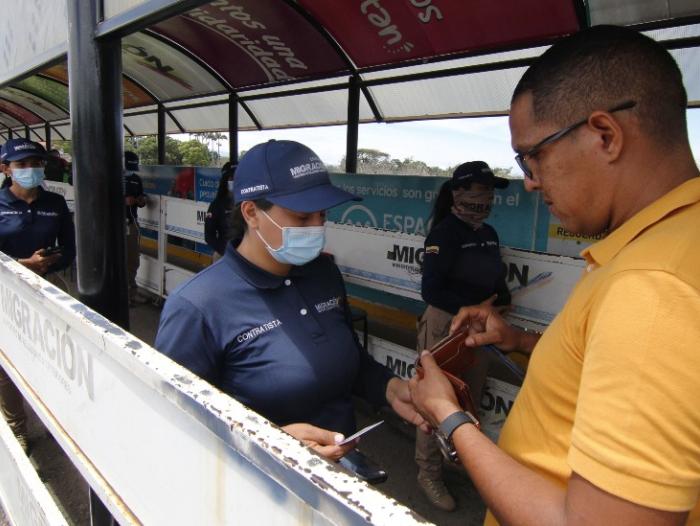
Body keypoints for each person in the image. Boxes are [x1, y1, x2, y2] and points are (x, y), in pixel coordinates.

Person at [409, 25, 700, 525]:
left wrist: (450, 418)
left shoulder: (652, 288)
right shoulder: (674, 244)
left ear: (605, 135)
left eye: (533, 154)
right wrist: (518, 338)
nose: (528, 180)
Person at [155, 140, 426, 461]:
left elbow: (347, 359)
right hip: (260, 489)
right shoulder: (199, 306)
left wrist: (390, 388)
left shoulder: (324, 274)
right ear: (252, 212)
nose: (317, 227)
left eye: (322, 214)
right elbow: (171, 419)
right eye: (301, 217)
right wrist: (268, 442)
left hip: (343, 476)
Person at [415, 164, 511, 511]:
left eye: (490, 191)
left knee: (468, 399)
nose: (486, 197)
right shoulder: (444, 234)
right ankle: (428, 472)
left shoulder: (489, 233)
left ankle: (461, 459)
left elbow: (497, 283)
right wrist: (470, 308)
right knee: (436, 403)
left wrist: (500, 302)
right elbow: (432, 290)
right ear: (458, 193)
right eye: (479, 189)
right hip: (446, 327)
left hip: (480, 331)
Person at [0, 138, 76, 454]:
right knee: (5, 362)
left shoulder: (55, 203)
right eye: (22, 165)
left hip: (45, 285)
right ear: (5, 169)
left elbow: (71, 248)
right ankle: (18, 428)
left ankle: (60, 417)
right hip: (5, 287)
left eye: (37, 164)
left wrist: (50, 262)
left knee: (55, 351)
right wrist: (21, 265)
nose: (31, 170)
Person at [124, 151, 148, 306]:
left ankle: (131, 294)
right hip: (112, 226)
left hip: (131, 224)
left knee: (133, 259)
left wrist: (140, 200)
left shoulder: (135, 179)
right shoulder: (109, 177)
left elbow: (142, 197)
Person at [204, 161, 236, 261]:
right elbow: (209, 235)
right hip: (224, 256)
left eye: (238, 177)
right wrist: (224, 250)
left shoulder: (248, 202)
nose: (235, 181)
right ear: (225, 180)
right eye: (231, 178)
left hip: (247, 257)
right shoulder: (217, 204)